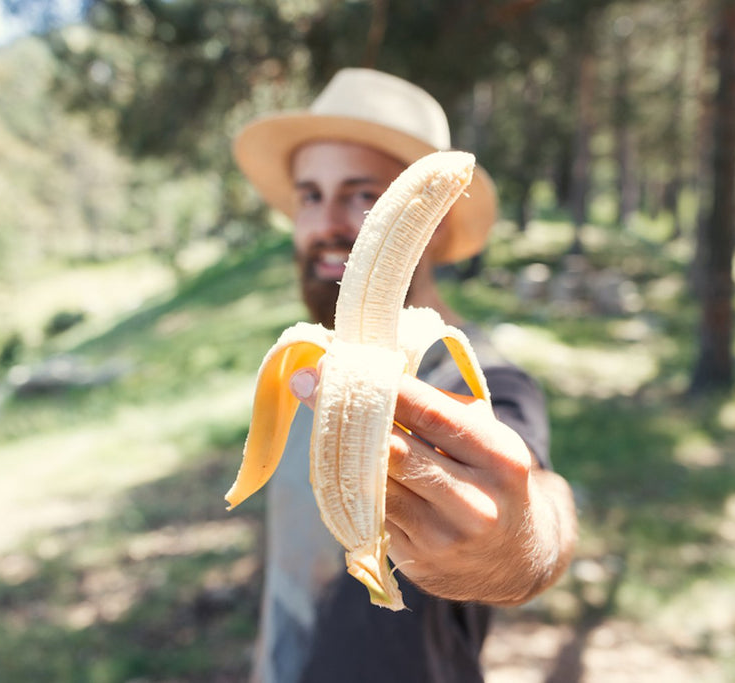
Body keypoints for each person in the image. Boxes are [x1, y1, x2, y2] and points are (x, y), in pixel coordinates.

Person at [232, 67, 577, 683]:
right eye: (309, 194)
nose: (327, 222)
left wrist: (517, 538)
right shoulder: (308, 366)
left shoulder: (481, 381)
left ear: (434, 223)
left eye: (364, 194)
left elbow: (535, 505)